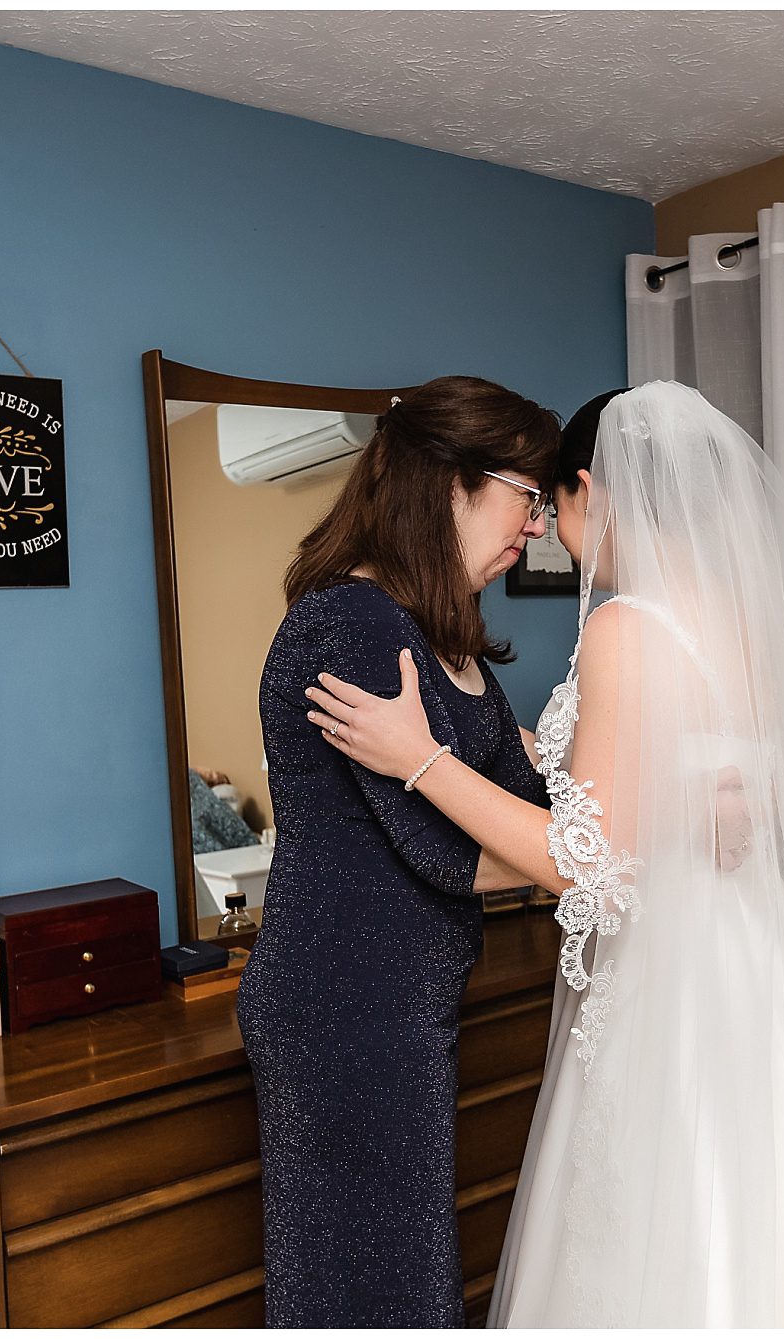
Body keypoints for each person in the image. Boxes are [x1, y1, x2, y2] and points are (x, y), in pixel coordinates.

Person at [304, 381, 784, 1327]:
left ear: (590, 489)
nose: (551, 535)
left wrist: (423, 760)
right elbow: (713, 791)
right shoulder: (746, 617)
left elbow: (592, 865)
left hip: (678, 987)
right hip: (767, 962)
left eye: (550, 507)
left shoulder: (623, 626)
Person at [237, 375, 558, 1327]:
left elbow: (525, 798)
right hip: (342, 1007)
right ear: (453, 482)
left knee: (406, 1276)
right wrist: (593, 850)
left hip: (404, 1002)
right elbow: (444, 848)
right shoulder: (350, 624)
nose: (536, 527)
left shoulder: (441, 635)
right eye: (526, 496)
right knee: (371, 1290)